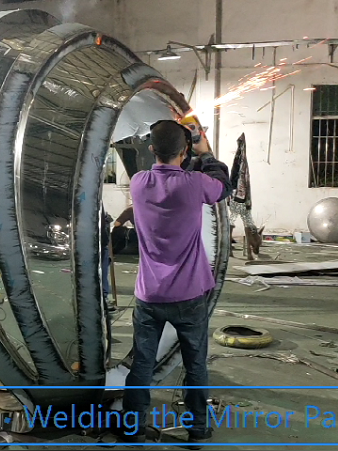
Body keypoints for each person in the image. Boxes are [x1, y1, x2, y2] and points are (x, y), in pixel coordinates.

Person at [119, 120, 230, 446]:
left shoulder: (139, 182)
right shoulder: (195, 184)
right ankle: (197, 429)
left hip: (149, 295)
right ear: (185, 151)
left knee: (141, 364)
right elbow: (223, 185)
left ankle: (133, 430)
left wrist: (186, 153)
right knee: (195, 365)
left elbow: (171, 175)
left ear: (152, 149)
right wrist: (205, 153)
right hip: (189, 295)